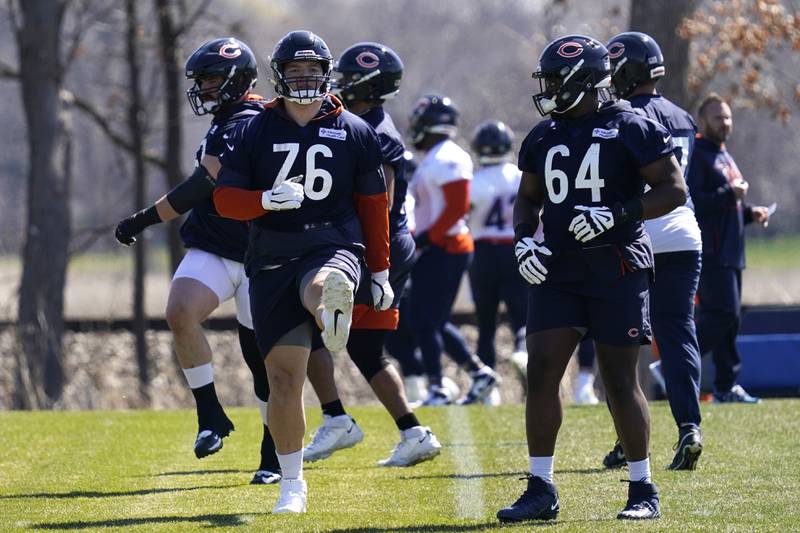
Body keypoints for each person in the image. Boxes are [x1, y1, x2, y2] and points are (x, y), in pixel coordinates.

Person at [497, 35, 686, 523]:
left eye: (557, 80)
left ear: (584, 80)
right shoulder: (543, 135)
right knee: (540, 371)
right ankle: (541, 487)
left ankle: (643, 487)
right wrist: (523, 240)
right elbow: (528, 199)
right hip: (559, 266)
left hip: (616, 264)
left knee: (619, 382)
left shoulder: (630, 125)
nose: (550, 89)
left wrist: (617, 212)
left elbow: (674, 190)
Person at [212, 30, 392, 514]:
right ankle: (293, 484)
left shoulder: (354, 129)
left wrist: (380, 270)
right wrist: (263, 201)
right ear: (279, 76)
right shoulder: (253, 128)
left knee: (321, 280)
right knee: (283, 379)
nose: (306, 79)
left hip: (331, 243)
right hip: (271, 255)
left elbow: (375, 208)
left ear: (327, 74)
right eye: (296, 72)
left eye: (314, 72)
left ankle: (331, 304)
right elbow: (224, 199)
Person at [114, 37, 280, 485]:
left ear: (235, 80)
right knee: (180, 311)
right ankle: (211, 415)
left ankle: (273, 451)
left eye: (210, 79)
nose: (203, 88)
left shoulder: (245, 121)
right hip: (213, 245)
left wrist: (142, 220)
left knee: (262, 362)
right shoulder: (231, 117)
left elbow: (198, 187)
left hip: (255, 256)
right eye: (202, 80)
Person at [301, 41, 442, 467]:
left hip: (375, 246)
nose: (338, 84)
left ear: (368, 83)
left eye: (346, 78)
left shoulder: (376, 133)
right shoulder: (360, 122)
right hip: (383, 245)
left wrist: (374, 266)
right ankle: (414, 432)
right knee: (366, 349)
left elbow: (378, 203)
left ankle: (336, 418)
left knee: (300, 321)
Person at [597, 31, 705, 471]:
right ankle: (689, 428)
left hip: (635, 233)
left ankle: (629, 440)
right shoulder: (682, 115)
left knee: (619, 341)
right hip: (683, 233)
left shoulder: (620, 117)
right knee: (677, 332)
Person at [408, 94, 500, 406]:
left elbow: (457, 206)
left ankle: (437, 386)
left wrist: (425, 237)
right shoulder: (437, 156)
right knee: (432, 319)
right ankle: (479, 373)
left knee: (425, 320)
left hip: (445, 246)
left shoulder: (447, 156)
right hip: (440, 245)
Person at [689, 93, 770, 404]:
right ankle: (677, 360)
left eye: (727, 117)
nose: (724, 122)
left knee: (730, 319)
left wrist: (751, 212)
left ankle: (725, 387)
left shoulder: (724, 155)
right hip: (712, 253)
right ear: (703, 121)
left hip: (733, 253)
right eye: (717, 117)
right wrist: (729, 193)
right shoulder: (698, 155)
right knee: (722, 314)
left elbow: (728, 205)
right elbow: (695, 203)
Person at [468, 119, 528, 404]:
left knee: (486, 324)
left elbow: (463, 216)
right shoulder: (519, 176)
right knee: (523, 317)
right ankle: (524, 353)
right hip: (516, 249)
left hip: (483, 253)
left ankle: (489, 387)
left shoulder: (475, 182)